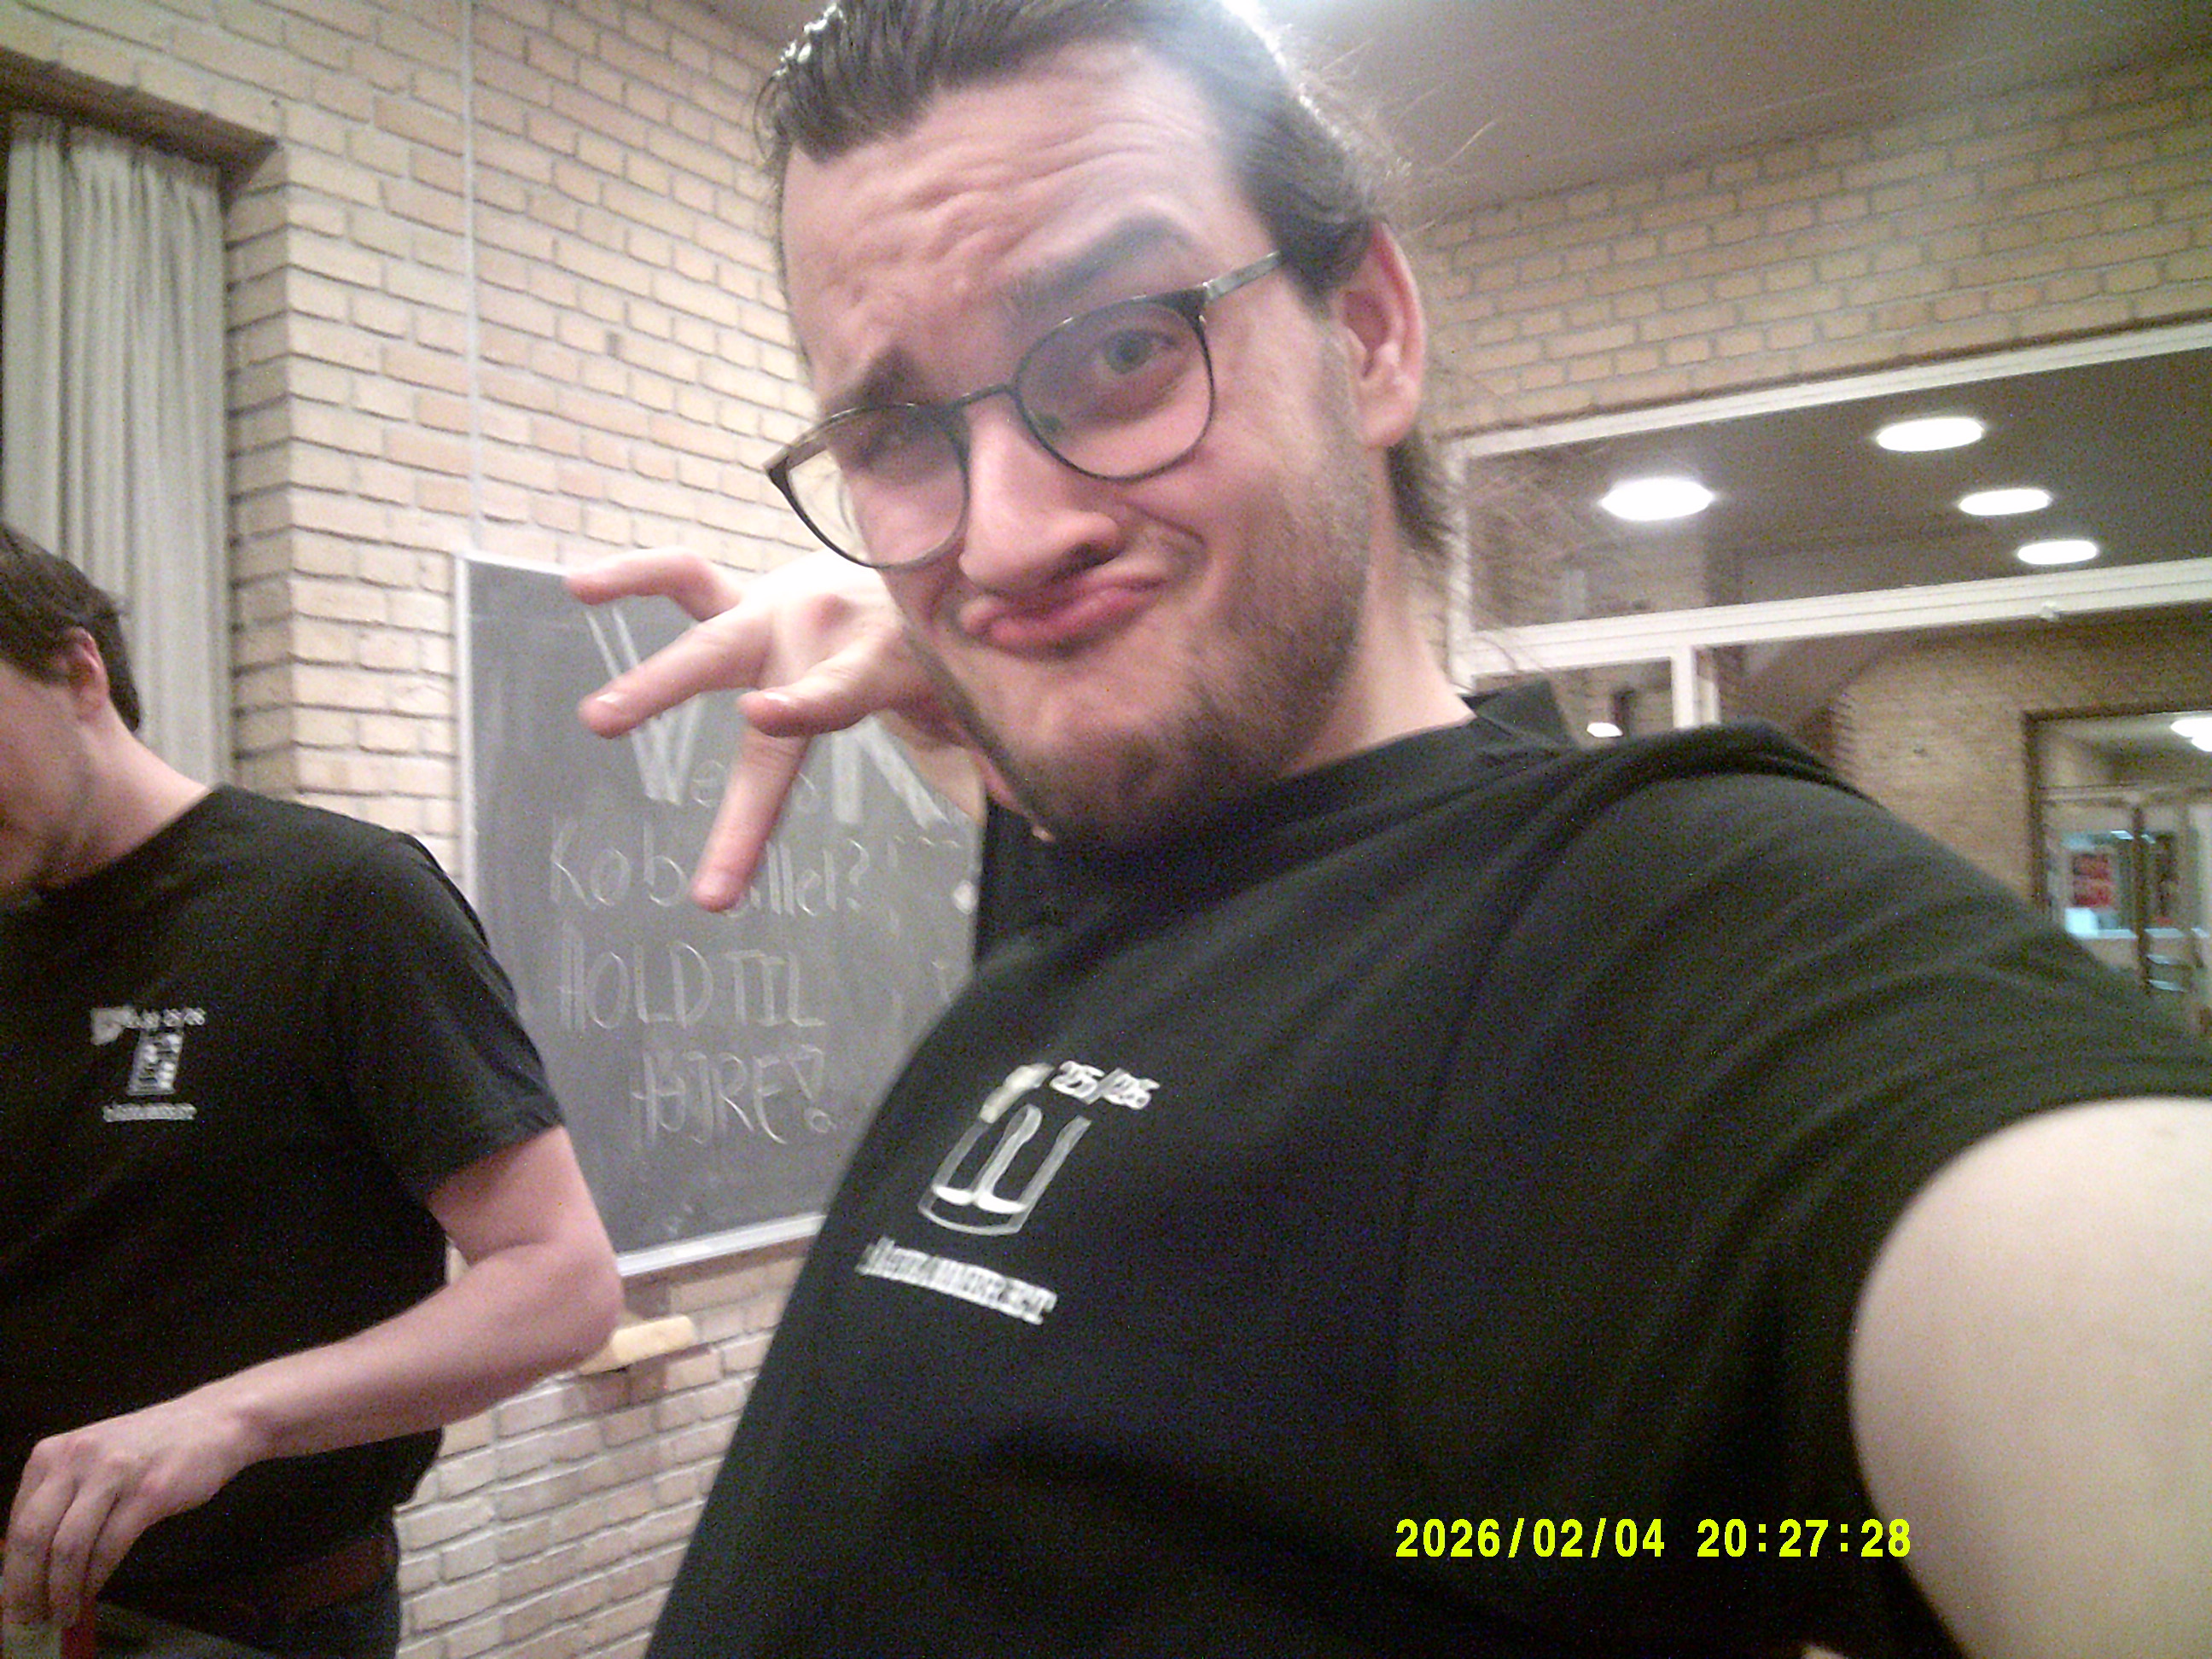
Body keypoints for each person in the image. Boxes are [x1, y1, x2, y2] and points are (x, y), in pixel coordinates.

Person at [569, 3, 2212, 1654]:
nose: (1001, 535)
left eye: (1121, 349)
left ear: (1364, 335)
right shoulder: (1109, 867)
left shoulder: (1651, 927)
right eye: (893, 437)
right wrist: (963, 670)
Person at [0, 527, 624, 1659]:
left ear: (77, 673)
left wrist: (231, 1418)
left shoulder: (340, 902)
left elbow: (562, 1283)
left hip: (253, 1622)